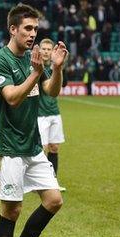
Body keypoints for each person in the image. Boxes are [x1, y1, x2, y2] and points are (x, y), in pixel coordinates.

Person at [0, 4, 69, 237]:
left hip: (32, 145)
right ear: (13, 29)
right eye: (27, 28)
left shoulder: (33, 59)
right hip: (8, 146)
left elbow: (52, 91)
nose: (33, 33)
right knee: (12, 210)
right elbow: (11, 97)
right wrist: (35, 72)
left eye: (36, 28)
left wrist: (56, 68)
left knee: (54, 200)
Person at [38, 38, 67, 192]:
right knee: (41, 148)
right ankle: (39, 181)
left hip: (54, 112)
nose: (46, 52)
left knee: (54, 148)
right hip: (39, 114)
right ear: (39, 50)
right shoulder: (36, 68)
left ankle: (53, 181)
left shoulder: (55, 68)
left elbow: (64, 83)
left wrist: (60, 67)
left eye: (49, 49)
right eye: (44, 49)